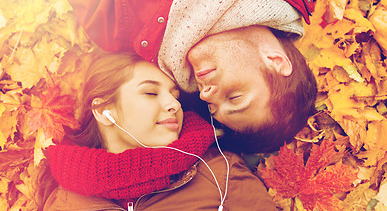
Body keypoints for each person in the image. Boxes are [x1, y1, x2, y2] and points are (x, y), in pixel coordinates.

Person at [53, 0, 318, 153]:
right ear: (276, 61)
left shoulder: (114, 27)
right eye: (235, 97)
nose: (207, 93)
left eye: (212, 107)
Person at [38, 51, 277, 210]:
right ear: (103, 111)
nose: (174, 104)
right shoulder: (64, 202)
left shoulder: (220, 174)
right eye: (151, 93)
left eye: (175, 95)